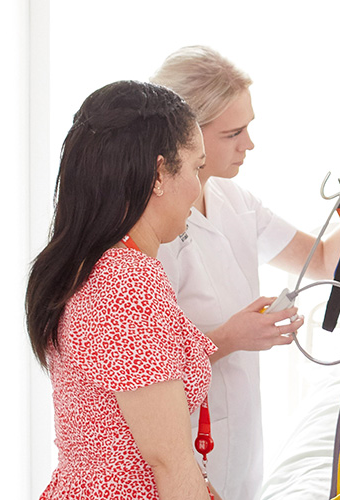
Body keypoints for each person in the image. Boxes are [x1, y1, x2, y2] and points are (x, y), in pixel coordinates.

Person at [149, 45, 340, 500]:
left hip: (239, 430)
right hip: (177, 434)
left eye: (249, 127)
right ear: (188, 136)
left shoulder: (233, 199)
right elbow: (144, 365)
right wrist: (233, 336)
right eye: (234, 133)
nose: (249, 144)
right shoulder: (149, 231)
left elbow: (322, 260)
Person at [26, 80, 230, 499]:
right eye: (196, 167)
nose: (198, 188)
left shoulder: (89, 263)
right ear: (158, 174)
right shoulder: (128, 283)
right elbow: (167, 461)